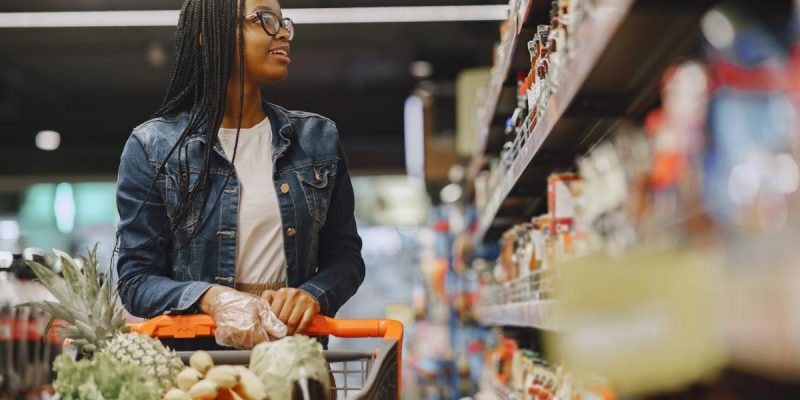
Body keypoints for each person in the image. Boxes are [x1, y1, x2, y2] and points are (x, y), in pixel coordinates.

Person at [114, 0, 365, 349]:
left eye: (283, 21)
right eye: (264, 19)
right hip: (197, 370)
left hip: (293, 360)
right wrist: (211, 297)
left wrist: (313, 295)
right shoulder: (154, 148)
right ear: (208, 35)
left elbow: (346, 257)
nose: (282, 32)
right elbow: (135, 280)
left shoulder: (317, 140)